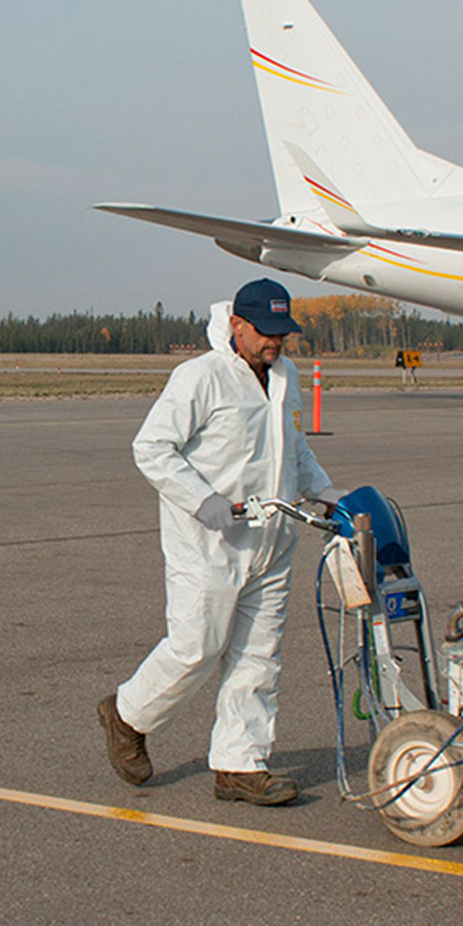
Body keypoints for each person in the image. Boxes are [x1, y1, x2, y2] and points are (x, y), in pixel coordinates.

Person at [98, 278, 337, 806]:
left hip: (272, 541)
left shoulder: (285, 376)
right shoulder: (200, 377)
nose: (276, 342)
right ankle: (127, 714)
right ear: (237, 325)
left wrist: (325, 493)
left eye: (283, 332)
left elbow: (293, 447)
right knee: (197, 649)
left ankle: (240, 766)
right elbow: (153, 447)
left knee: (258, 657)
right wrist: (204, 501)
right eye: (266, 331)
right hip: (207, 544)